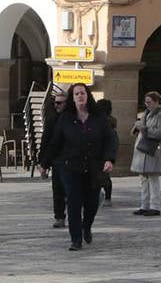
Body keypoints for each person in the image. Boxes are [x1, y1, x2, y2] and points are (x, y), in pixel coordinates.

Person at [37, 82, 117, 251]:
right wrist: (44, 163)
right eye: (76, 94)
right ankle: (76, 239)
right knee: (73, 202)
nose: (80, 96)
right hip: (70, 166)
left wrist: (109, 159)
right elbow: (55, 143)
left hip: (94, 166)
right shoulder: (65, 119)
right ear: (72, 99)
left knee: (92, 203)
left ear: (87, 96)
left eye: (83, 93)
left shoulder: (98, 117)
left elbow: (110, 139)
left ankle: (86, 226)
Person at [131, 92, 161, 217]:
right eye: (146, 102)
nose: (147, 104)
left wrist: (144, 129)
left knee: (153, 178)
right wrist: (137, 127)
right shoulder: (146, 114)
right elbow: (138, 129)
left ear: (157, 102)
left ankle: (155, 206)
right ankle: (144, 205)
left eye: (149, 102)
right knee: (143, 179)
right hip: (142, 151)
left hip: (154, 151)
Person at [40, 88, 68, 228]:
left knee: (71, 191)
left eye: (60, 103)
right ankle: (59, 217)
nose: (57, 105)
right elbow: (46, 142)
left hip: (72, 160)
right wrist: (42, 163)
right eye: (55, 103)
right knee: (57, 191)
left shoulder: (73, 119)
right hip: (57, 161)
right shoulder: (52, 120)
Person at [96, 98, 118, 203]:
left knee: (101, 175)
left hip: (101, 151)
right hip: (105, 151)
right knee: (105, 176)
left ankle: (103, 195)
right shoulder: (111, 120)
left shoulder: (102, 120)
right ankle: (107, 196)